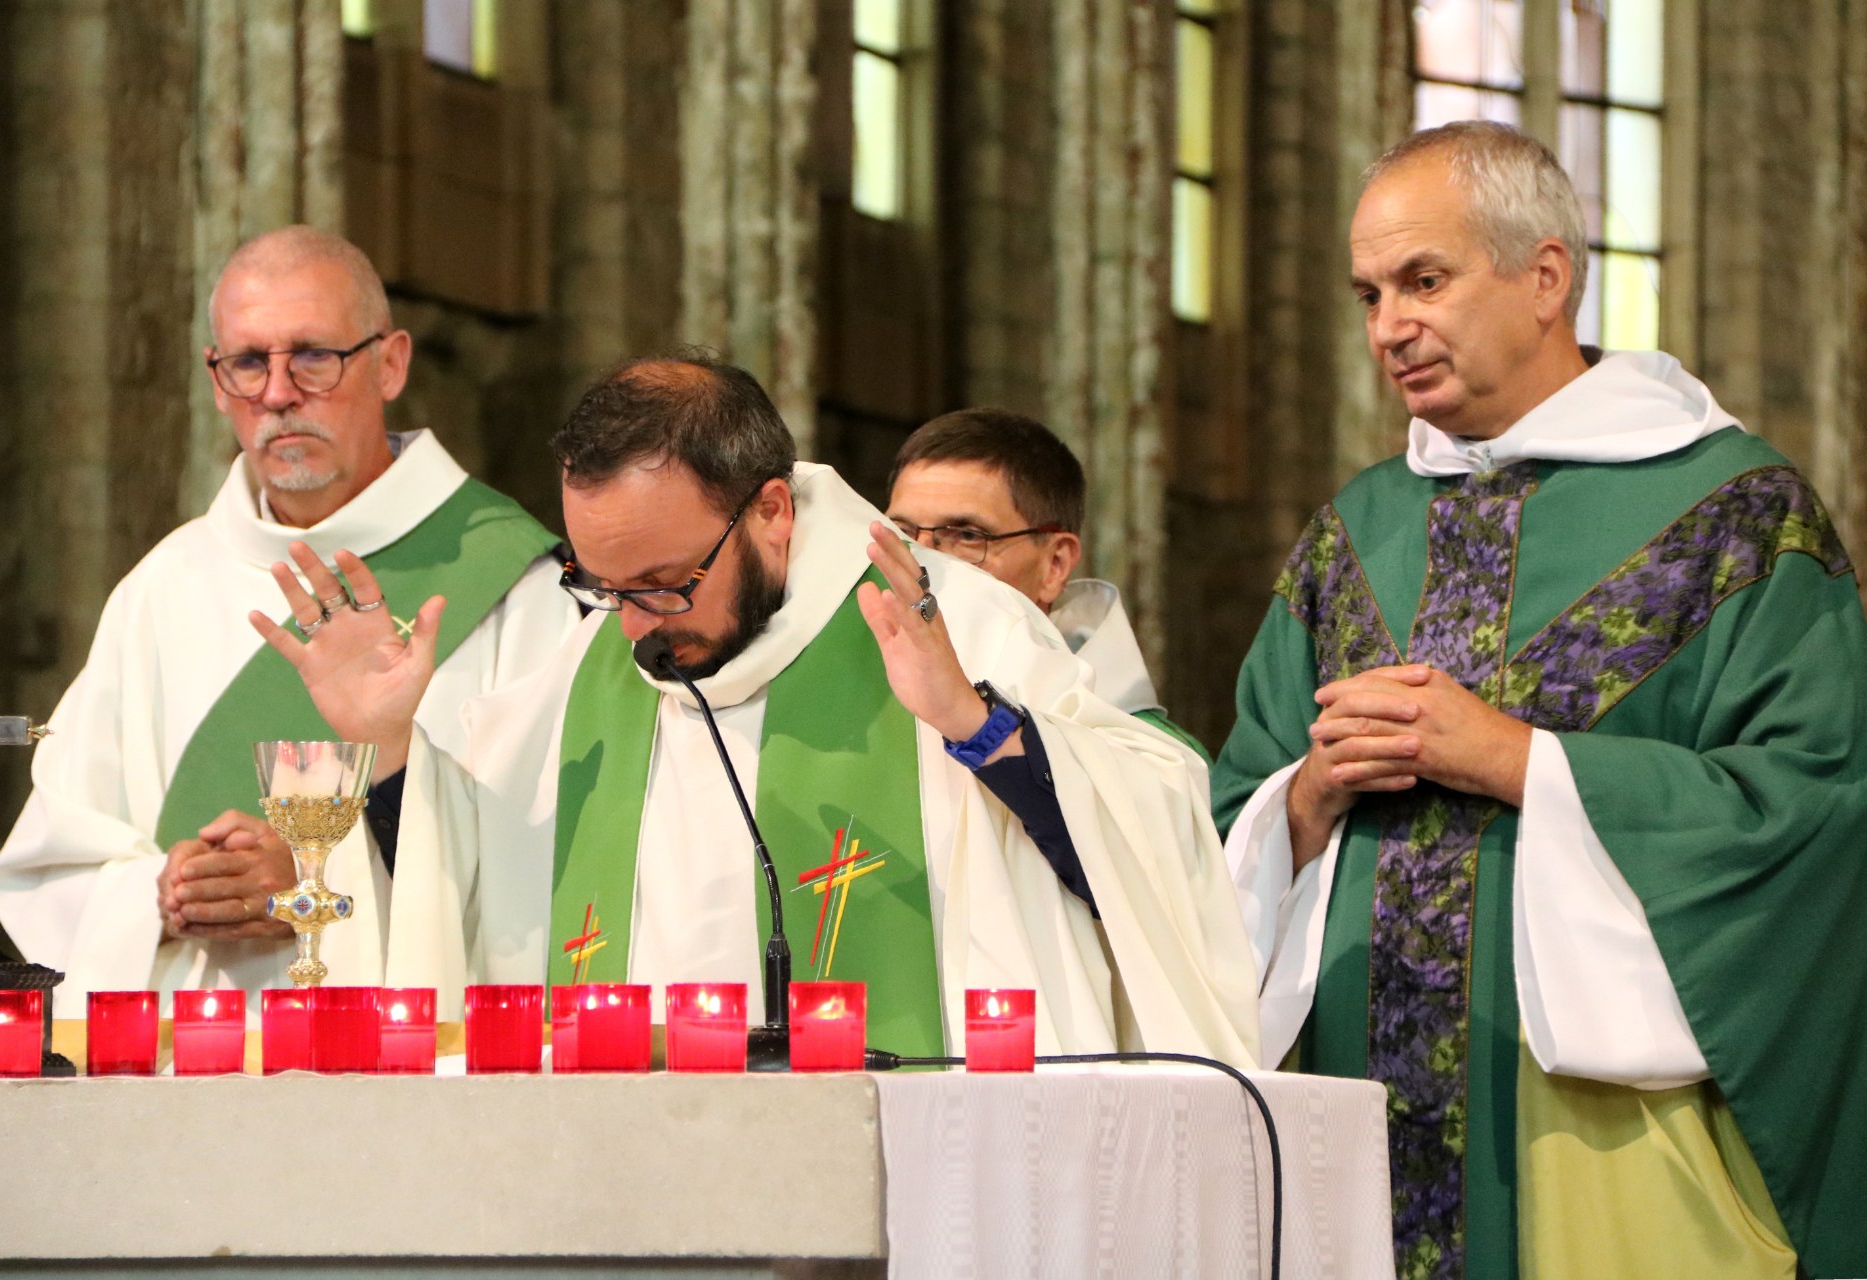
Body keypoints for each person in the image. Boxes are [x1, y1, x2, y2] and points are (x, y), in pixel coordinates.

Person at [1211, 121, 1866, 1280]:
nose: (1389, 325)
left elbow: (1816, 804)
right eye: (1369, 293)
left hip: (1599, 1129)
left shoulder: (1735, 514)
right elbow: (1226, 814)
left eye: (1425, 279)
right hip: (1346, 1114)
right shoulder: (1353, 533)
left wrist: (1521, 760)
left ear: (1546, 277)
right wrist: (1305, 798)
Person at [261, 353, 1259, 1065]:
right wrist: (388, 754)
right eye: (602, 585)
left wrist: (973, 723)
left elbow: (1158, 840)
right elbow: (480, 897)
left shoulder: (947, 620)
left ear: (772, 512)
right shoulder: (597, 663)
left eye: (665, 579)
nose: (635, 625)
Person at [0, 227, 579, 1015]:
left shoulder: (514, 584)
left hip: (405, 1076)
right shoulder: (162, 587)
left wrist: (314, 884)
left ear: (392, 363)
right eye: (247, 362)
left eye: (313, 356)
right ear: (214, 378)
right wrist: (160, 896)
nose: (277, 392)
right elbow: (49, 870)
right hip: (182, 1078)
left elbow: (545, 866)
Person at [885, 408, 1207, 758]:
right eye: (903, 533)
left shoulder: (1156, 762)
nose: (923, 562)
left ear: (1054, 565)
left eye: (967, 535)